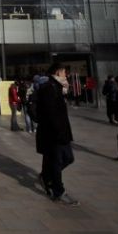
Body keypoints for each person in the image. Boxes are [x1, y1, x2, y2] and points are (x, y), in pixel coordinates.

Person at [35, 62, 79, 206]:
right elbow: (50, 113)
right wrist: (57, 131)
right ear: (58, 72)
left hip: (61, 132)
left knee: (69, 158)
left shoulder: (57, 88)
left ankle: (47, 176)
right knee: (57, 161)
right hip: (54, 133)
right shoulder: (49, 88)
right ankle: (58, 191)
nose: (66, 74)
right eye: (64, 72)